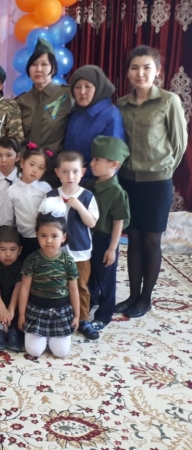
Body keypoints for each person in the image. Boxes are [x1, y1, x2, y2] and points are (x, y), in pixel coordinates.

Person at [115, 45, 188, 318]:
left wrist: (162, 169)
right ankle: (133, 295)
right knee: (133, 238)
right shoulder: (121, 104)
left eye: (147, 67)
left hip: (157, 183)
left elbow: (179, 145)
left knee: (151, 241)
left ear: (157, 71)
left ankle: (145, 299)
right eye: (134, 68)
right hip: (128, 181)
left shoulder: (169, 101)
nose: (140, 73)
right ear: (128, 72)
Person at [18, 198, 80, 358]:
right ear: (37, 235)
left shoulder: (68, 261)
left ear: (63, 237)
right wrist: (22, 315)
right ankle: (41, 336)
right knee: (34, 351)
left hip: (61, 311)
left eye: (54, 236)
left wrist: (77, 315)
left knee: (61, 352)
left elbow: (74, 289)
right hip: (36, 311)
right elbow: (24, 288)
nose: (49, 240)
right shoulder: (31, 259)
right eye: (43, 235)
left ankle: (52, 337)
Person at [48, 151, 99, 340]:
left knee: (81, 286)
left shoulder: (87, 196)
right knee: (57, 285)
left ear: (82, 172)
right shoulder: (51, 195)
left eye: (75, 172)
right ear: (57, 173)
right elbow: (43, 221)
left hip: (80, 253)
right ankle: (59, 316)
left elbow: (92, 223)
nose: (70, 176)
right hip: (57, 252)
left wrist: (78, 206)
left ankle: (84, 319)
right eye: (65, 172)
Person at [88, 136, 130, 331]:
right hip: (90, 238)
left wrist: (112, 248)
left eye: (97, 160)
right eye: (92, 158)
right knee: (90, 275)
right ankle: (89, 302)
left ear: (114, 164)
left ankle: (104, 315)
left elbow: (118, 222)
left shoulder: (117, 192)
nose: (92, 163)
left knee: (106, 279)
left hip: (106, 239)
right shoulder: (91, 186)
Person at [16, 38, 71, 185]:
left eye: (44, 64)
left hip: (56, 170)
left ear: (53, 68)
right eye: (34, 64)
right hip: (27, 171)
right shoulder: (21, 101)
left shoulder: (67, 95)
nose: (38, 69)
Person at [64, 65, 126, 182]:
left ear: (98, 88)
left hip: (95, 184)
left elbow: (111, 159)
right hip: (71, 180)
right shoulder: (75, 113)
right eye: (77, 87)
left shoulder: (111, 115)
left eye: (88, 86)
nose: (82, 92)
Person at [3, 144, 52, 258]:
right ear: (22, 163)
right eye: (32, 164)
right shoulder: (11, 191)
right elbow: (8, 220)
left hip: (45, 237)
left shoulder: (45, 188)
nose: (35, 170)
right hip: (24, 238)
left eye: (41, 168)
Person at [0, 226, 24, 351]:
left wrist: (11, 309)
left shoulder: (21, 264)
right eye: (2, 249)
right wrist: (2, 308)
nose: (8, 254)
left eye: (13, 249)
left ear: (19, 250)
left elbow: (19, 286)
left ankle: (13, 331)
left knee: (22, 304)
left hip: (14, 299)